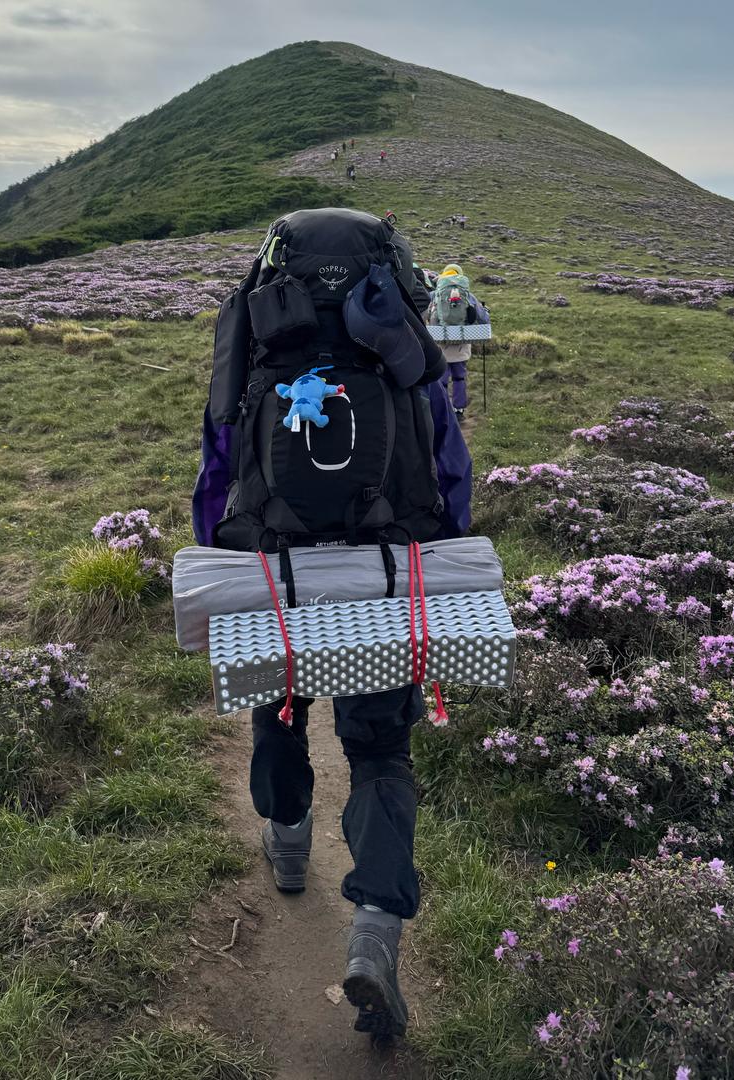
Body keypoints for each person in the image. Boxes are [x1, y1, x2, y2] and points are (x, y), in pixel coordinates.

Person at [193, 208, 473, 1042]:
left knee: (279, 706)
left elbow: (219, 449)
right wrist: (439, 553)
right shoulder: (399, 341)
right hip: (385, 568)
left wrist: (222, 548)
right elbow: (448, 465)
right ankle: (375, 930)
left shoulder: (260, 333)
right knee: (381, 749)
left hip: (274, 560)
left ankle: (285, 844)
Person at [428, 263, 489, 420]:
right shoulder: (467, 294)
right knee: (459, 377)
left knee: (441, 377)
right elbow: (482, 317)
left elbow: (426, 314)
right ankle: (459, 410)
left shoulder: (436, 294)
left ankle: (441, 409)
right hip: (461, 343)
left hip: (440, 342)